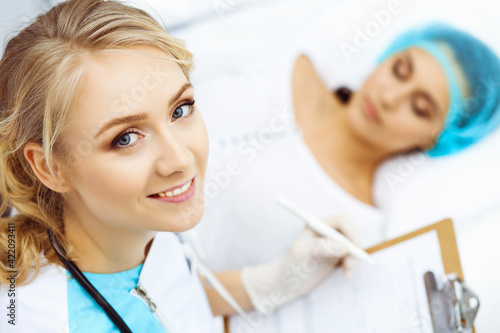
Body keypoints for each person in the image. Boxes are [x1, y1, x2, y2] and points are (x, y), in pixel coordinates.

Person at [0, 0, 359, 331]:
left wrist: (275, 281)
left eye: (180, 109)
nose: (181, 159)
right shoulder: (39, 320)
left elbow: (158, 296)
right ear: (50, 168)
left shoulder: (128, 222)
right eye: (125, 138)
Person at [194, 22, 500, 274]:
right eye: (399, 70)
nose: (389, 97)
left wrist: (264, 285)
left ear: (436, 138)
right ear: (387, 55)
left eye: (419, 108)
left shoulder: (354, 234)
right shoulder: (288, 59)